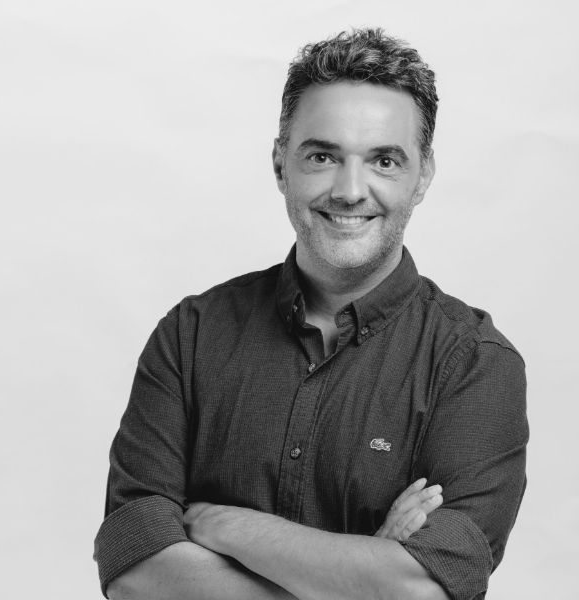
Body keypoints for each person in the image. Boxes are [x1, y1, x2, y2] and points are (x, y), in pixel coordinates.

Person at [94, 28, 528, 600]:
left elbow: (423, 591)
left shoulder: (473, 364)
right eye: (323, 156)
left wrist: (229, 527)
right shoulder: (190, 336)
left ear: (422, 175)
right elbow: (134, 569)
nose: (350, 190)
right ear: (281, 164)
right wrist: (361, 573)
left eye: (384, 161)